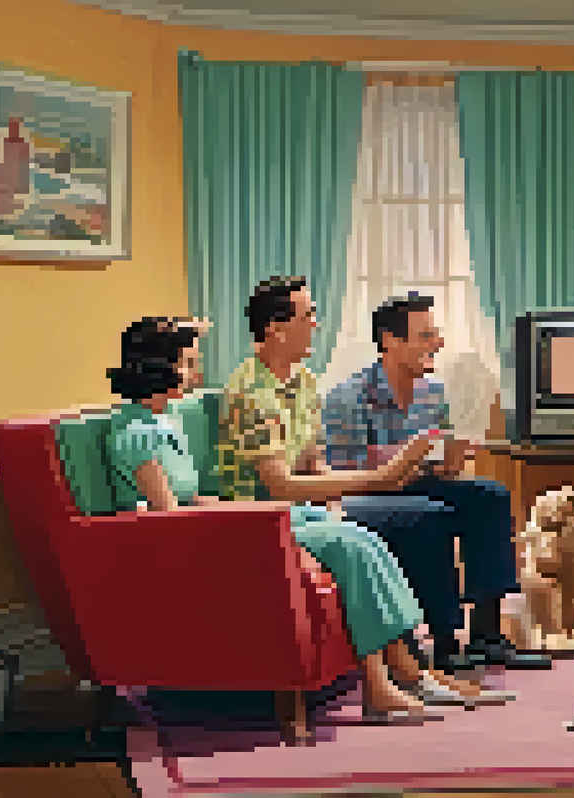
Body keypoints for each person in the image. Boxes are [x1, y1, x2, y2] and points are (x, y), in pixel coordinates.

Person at [107, 316, 508, 725]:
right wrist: (252, 512)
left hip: (223, 520)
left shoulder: (162, 422)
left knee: (364, 539)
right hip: (207, 539)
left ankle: (407, 672)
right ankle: (380, 687)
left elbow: (189, 499)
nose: (197, 373)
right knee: (350, 547)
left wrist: (244, 506)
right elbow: (171, 520)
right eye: (189, 363)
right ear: (159, 368)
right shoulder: (139, 434)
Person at [324, 293, 550, 670]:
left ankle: (487, 636)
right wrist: (403, 459)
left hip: (415, 482)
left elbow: (437, 459)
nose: (438, 343)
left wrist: (451, 462)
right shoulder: (346, 398)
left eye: (436, 334)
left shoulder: (434, 393)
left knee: (490, 496)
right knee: (428, 513)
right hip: (363, 494)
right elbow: (343, 474)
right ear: (390, 341)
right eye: (426, 335)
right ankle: (445, 641)